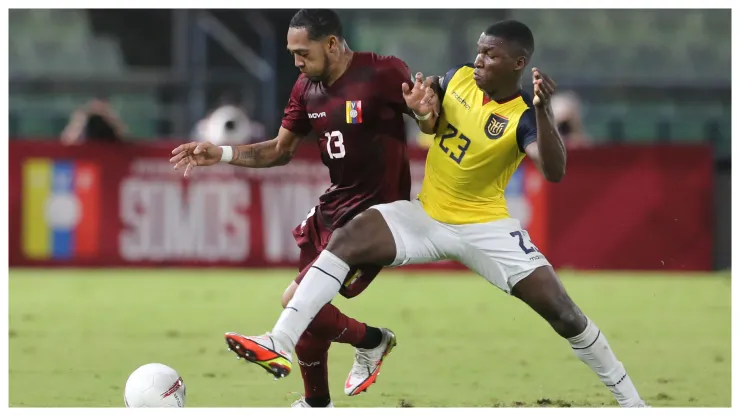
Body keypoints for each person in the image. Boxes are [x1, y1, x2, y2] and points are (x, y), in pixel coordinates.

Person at [220, 20, 648, 408]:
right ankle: (279, 338)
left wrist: (543, 109)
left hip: (485, 228)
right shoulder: (459, 77)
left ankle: (632, 402)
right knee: (347, 237)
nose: (479, 60)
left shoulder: (521, 116)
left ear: (518, 63)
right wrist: (424, 108)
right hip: (426, 216)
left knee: (564, 313)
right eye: (479, 50)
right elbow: (427, 116)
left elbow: (554, 171)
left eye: (491, 55)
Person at [170, 9, 416, 408]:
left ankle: (373, 340)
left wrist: (427, 113)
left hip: (374, 219)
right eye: (292, 53)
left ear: (332, 44)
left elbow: (431, 119)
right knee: (308, 305)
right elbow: (280, 151)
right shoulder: (306, 87)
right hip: (333, 209)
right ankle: (318, 402)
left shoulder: (383, 72)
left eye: (303, 52)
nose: (296, 62)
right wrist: (222, 153)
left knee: (297, 302)